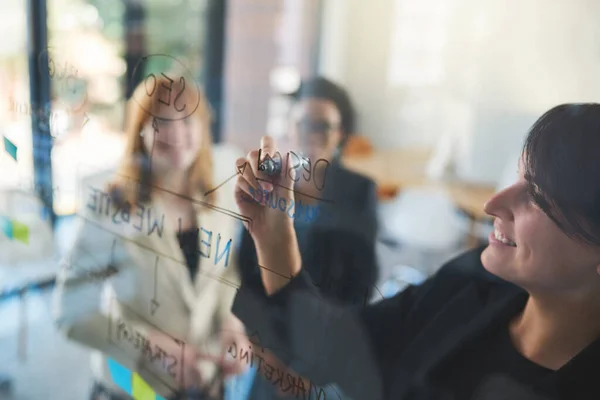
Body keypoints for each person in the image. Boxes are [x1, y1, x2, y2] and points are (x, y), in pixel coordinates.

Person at [231, 103, 600, 400]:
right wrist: (274, 235)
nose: (492, 204)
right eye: (518, 178)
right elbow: (342, 347)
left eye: (535, 196)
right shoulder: (471, 287)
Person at [53, 73, 250, 400]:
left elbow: (224, 274)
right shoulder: (112, 206)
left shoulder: (219, 197)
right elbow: (70, 311)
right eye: (161, 121)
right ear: (139, 130)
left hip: (204, 383)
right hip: (135, 386)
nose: (175, 134)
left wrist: (232, 324)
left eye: (187, 120)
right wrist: (147, 344)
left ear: (203, 129)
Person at [236, 78, 379, 399]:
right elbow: (245, 276)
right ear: (289, 127)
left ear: (340, 134)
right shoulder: (267, 184)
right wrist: (265, 357)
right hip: (270, 351)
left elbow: (360, 287)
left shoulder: (359, 191)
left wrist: (314, 366)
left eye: (323, 126)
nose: (312, 135)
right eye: (304, 124)